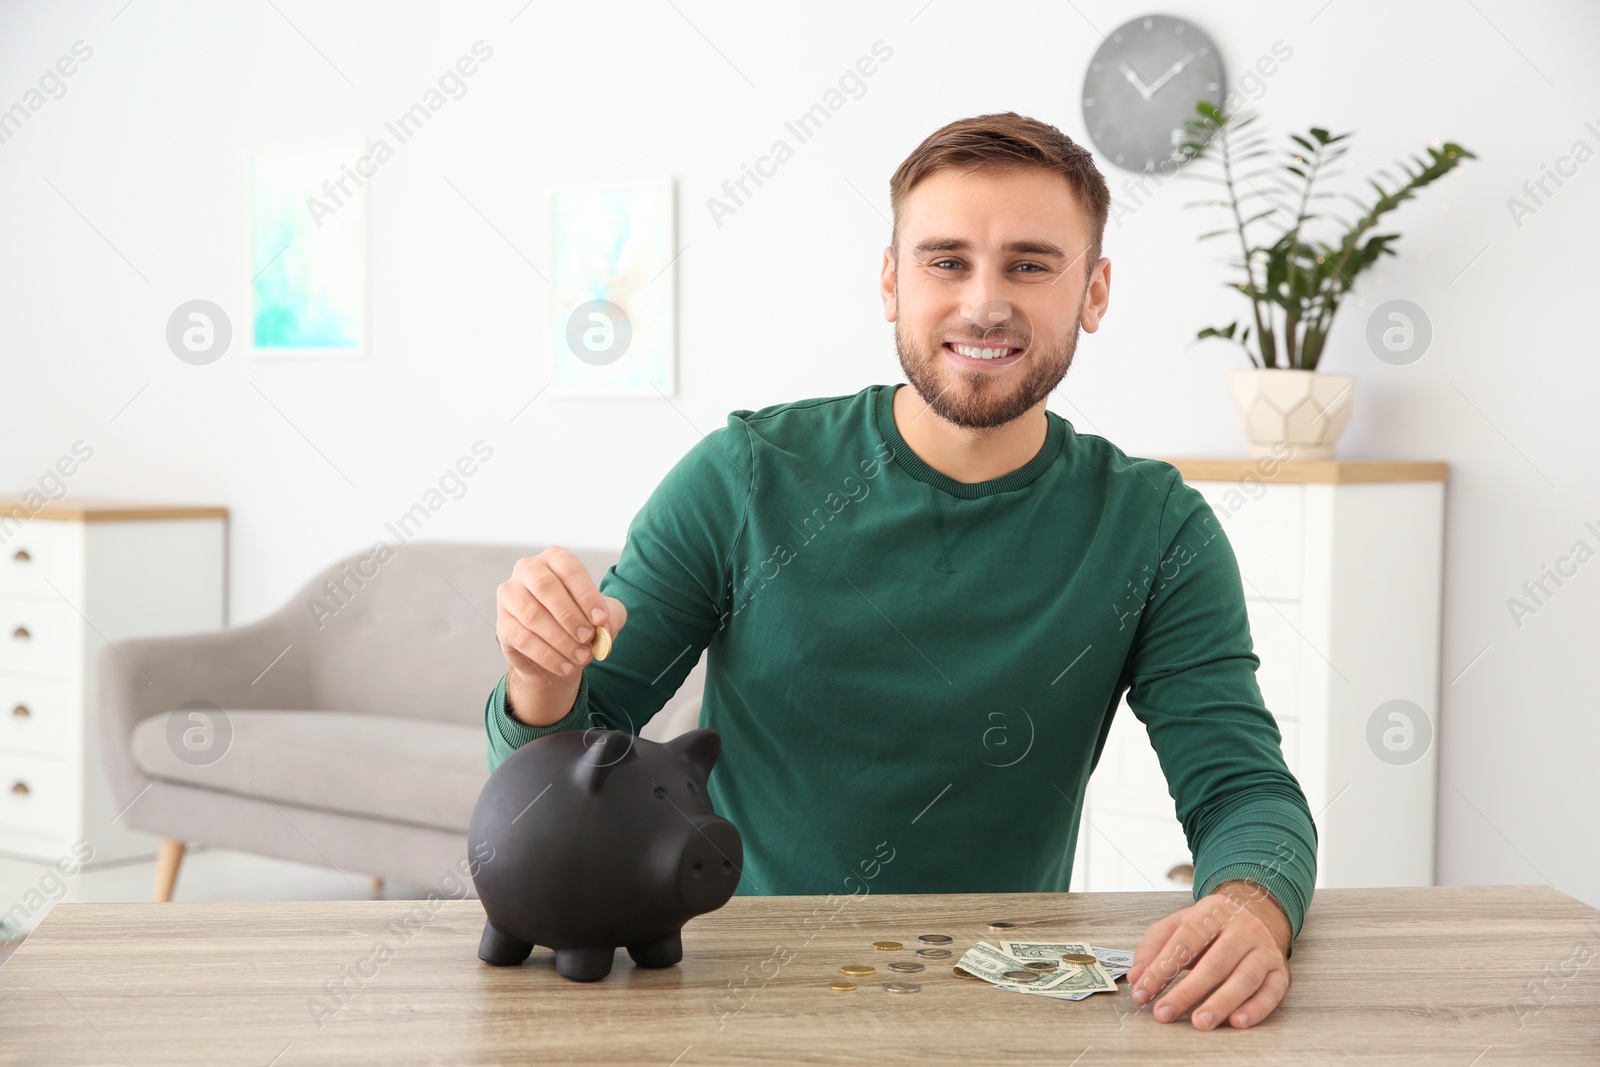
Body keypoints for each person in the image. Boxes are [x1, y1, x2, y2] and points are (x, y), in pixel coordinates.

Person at [485, 112, 1316, 1031]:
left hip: (996, 1010)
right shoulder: (744, 476)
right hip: (737, 995)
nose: (985, 303)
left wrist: (1252, 904)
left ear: (1095, 290)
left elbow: (1242, 788)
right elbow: (556, 783)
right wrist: (541, 677)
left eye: (1030, 264)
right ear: (892, 281)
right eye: (946, 260)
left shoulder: (1156, 528)